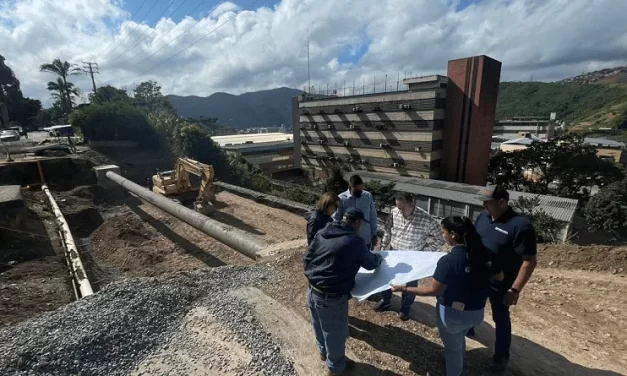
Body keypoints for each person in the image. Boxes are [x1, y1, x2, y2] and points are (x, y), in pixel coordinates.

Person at [391, 216, 503, 376]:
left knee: (452, 350)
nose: (442, 235)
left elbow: (433, 290)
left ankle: (455, 366)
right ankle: (459, 354)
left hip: (452, 315)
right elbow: (499, 277)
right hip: (477, 313)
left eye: (443, 232)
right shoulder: (486, 253)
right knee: (458, 337)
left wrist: (404, 288)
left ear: (453, 234)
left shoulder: (449, 261)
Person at [304, 208, 383, 375]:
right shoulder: (354, 241)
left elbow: (307, 257)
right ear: (355, 223)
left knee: (318, 324)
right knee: (335, 333)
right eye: (361, 224)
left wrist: (314, 278)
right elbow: (370, 263)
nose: (361, 227)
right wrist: (379, 257)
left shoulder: (324, 231)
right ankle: (336, 367)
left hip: (312, 290)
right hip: (331, 297)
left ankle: (323, 353)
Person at [474, 185, 537, 373]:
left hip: (502, 284)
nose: (484, 205)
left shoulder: (520, 226)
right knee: (470, 305)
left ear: (502, 202)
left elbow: (529, 261)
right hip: (478, 276)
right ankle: (469, 329)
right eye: (483, 202)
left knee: (500, 319)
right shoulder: (482, 217)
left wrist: (515, 289)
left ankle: (501, 357)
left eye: (488, 202)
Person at [374, 192, 446, 320]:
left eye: (402, 207)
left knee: (410, 284)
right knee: (387, 278)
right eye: (398, 207)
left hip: (413, 257)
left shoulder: (426, 219)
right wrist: (383, 249)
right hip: (394, 252)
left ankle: (405, 307)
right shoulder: (394, 212)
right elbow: (388, 231)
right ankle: (386, 300)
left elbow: (439, 239)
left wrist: (423, 252)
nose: (399, 210)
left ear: (413, 203)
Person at [333, 174, 378, 250]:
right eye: (356, 189)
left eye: (361, 188)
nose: (359, 191)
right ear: (350, 187)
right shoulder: (342, 198)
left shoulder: (368, 196)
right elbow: (336, 219)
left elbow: (372, 216)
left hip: (365, 238)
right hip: (348, 239)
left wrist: (374, 235)